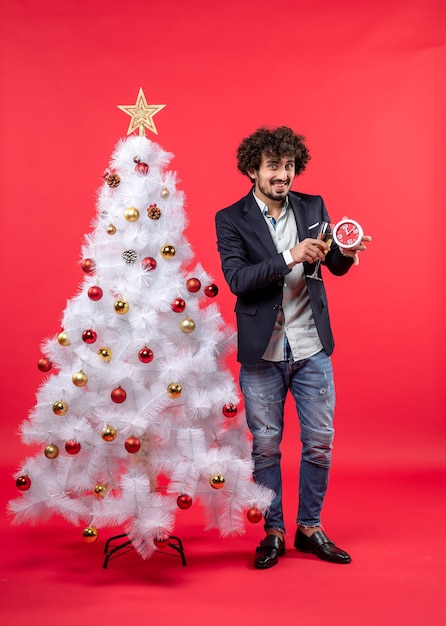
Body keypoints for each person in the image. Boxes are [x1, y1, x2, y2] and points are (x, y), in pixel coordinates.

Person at [215, 126, 371, 569]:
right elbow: (238, 280)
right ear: (252, 170)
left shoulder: (313, 205)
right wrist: (289, 256)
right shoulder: (230, 219)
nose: (283, 175)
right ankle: (274, 532)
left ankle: (309, 527)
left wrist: (346, 250)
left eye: (288, 166)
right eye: (273, 167)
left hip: (311, 348)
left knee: (320, 443)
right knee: (265, 448)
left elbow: (331, 263)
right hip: (262, 354)